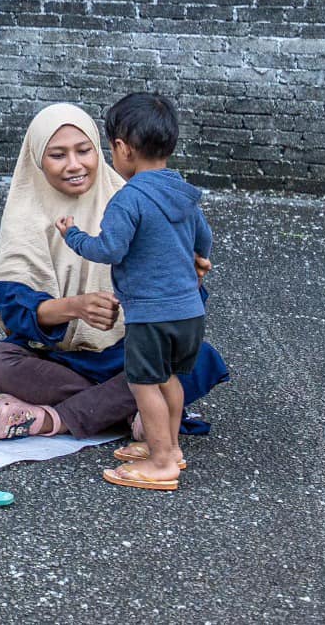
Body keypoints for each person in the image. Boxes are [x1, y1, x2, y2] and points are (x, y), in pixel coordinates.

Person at [0, 103, 228, 451]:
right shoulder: (26, 217)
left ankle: (51, 419)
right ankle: (130, 410)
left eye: (84, 151)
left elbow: (175, 304)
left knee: (194, 357)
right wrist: (74, 308)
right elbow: (15, 314)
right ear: (37, 159)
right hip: (56, 358)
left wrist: (193, 280)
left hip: (129, 350)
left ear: (104, 150)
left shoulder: (133, 201)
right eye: (57, 155)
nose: (74, 165)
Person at [57, 93, 210, 492]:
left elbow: (109, 249)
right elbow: (203, 240)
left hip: (151, 316)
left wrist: (72, 235)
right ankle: (171, 448)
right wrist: (198, 261)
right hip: (189, 312)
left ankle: (161, 462)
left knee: (144, 384)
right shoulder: (184, 192)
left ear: (122, 149)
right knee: (169, 380)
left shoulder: (128, 199)